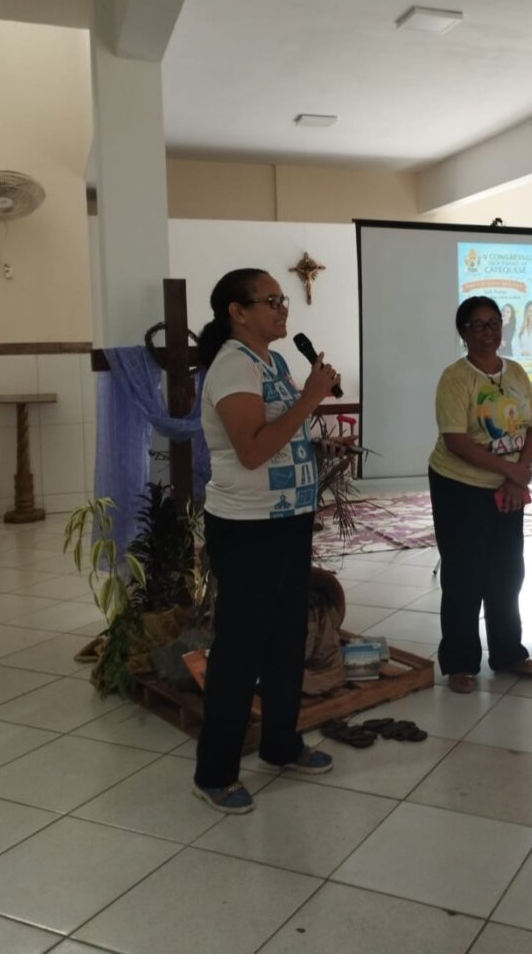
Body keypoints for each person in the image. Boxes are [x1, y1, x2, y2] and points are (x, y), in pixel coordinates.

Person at [193, 267, 340, 813]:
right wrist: (310, 399)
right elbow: (252, 451)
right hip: (248, 527)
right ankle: (215, 773)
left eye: (283, 300)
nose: (283, 309)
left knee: (284, 638)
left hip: (287, 519)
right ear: (237, 311)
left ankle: (281, 744)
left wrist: (306, 420)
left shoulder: (272, 362)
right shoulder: (232, 365)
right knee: (240, 650)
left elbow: (282, 435)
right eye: (271, 300)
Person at [428, 295, 532, 694]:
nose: (487, 332)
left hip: (507, 487)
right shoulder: (455, 378)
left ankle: (508, 653)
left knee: (507, 571)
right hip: (459, 485)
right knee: (465, 574)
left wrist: (516, 478)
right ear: (463, 332)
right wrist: (510, 471)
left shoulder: (517, 372)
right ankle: (460, 663)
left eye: (493, 323)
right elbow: (456, 441)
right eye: (476, 325)